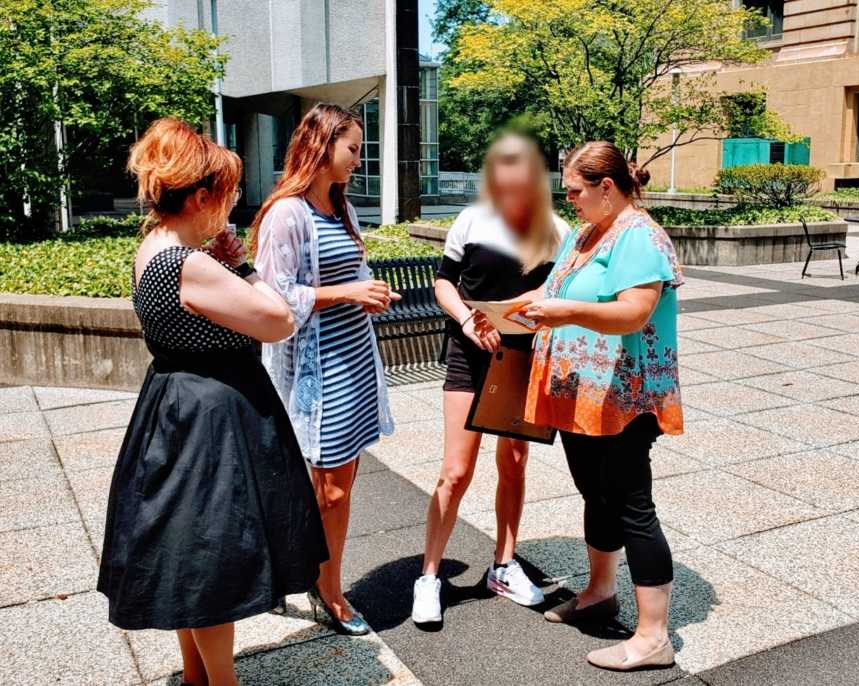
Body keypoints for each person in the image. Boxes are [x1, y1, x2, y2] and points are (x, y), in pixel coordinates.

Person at [98, 118, 328, 686]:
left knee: (187, 550)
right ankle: (221, 683)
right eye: (225, 197)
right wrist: (244, 264)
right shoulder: (190, 263)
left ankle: (199, 676)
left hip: (175, 402)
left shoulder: (150, 247)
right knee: (211, 559)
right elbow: (277, 319)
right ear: (201, 196)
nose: (230, 208)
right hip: (211, 414)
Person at [486, 141, 684, 670]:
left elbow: (634, 313)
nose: (568, 199)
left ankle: (653, 637)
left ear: (607, 187)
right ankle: (600, 592)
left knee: (630, 503)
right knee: (595, 493)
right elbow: (555, 289)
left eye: (575, 190)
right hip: (580, 391)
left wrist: (563, 310)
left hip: (624, 393)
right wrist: (510, 311)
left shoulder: (640, 237)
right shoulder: (586, 232)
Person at [250, 103, 397, 636]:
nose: (358, 160)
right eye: (352, 148)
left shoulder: (342, 208)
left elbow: (348, 276)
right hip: (317, 369)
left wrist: (369, 292)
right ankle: (328, 590)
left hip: (354, 359)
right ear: (321, 145)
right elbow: (272, 297)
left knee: (340, 483)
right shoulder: (287, 214)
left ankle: (316, 575)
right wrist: (347, 292)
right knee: (327, 488)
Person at [411, 133, 570, 625]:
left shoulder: (556, 230)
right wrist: (464, 318)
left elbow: (559, 287)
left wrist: (529, 306)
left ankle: (503, 565)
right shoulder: (472, 219)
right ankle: (429, 576)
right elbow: (444, 282)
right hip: (468, 351)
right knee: (456, 470)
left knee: (515, 462)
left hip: (523, 357)